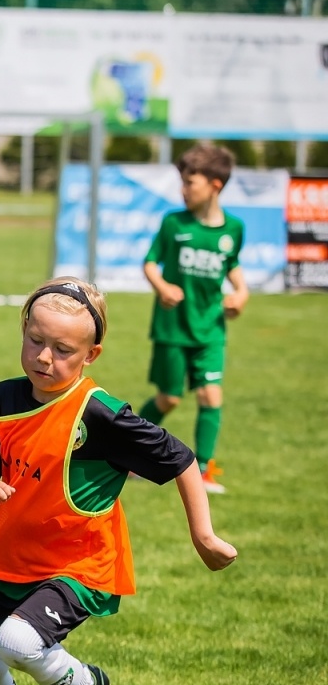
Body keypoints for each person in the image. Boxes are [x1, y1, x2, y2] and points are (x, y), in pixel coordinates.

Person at [0, 278, 236, 685]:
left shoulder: (99, 414)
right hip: (20, 557)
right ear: (23, 330)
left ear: (91, 354)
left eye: (63, 349)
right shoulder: (4, 398)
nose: (45, 357)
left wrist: (204, 535)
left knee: (16, 642)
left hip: (79, 563)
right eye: (35, 340)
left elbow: (180, 458)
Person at [139, 144, 249, 494]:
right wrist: (162, 286)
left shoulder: (234, 228)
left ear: (215, 185)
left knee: (210, 396)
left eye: (191, 182)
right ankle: (129, 453)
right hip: (172, 328)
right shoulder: (174, 223)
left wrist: (241, 293)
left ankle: (203, 471)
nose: (184, 190)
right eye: (183, 182)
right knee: (169, 399)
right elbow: (150, 262)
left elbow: (232, 266)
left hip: (210, 329)